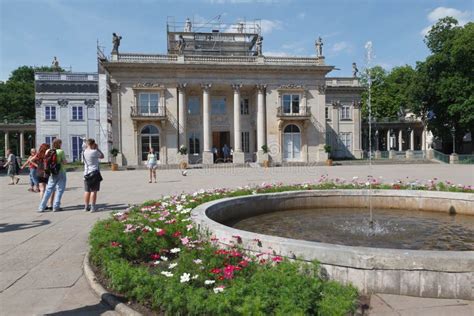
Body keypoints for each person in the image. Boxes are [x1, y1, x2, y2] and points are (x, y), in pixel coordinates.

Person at [38, 139, 67, 212]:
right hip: (60, 172)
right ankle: (56, 206)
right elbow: (64, 162)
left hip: (52, 172)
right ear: (59, 144)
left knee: (48, 190)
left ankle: (41, 207)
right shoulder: (61, 151)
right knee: (60, 189)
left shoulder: (48, 151)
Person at [83, 139, 104, 212]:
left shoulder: (84, 152)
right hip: (94, 173)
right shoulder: (94, 152)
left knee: (87, 191)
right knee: (93, 191)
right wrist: (97, 148)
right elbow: (102, 156)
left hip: (86, 173)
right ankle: (93, 207)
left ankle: (86, 207)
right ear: (93, 144)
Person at [36, 143, 55, 209]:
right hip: (46, 173)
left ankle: (43, 204)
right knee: (51, 189)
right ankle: (50, 204)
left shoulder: (38, 154)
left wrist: (37, 166)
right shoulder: (48, 154)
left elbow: (30, 160)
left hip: (39, 173)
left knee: (42, 190)